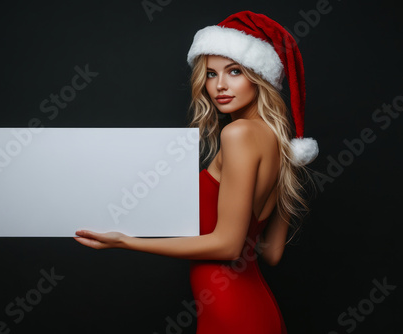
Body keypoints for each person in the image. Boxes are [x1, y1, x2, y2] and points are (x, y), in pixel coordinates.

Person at [74, 10, 318, 334]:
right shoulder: (280, 144)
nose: (220, 86)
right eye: (211, 73)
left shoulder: (238, 135)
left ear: (259, 76)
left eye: (234, 71)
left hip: (229, 314)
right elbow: (271, 252)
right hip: (255, 308)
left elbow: (228, 246)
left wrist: (127, 242)